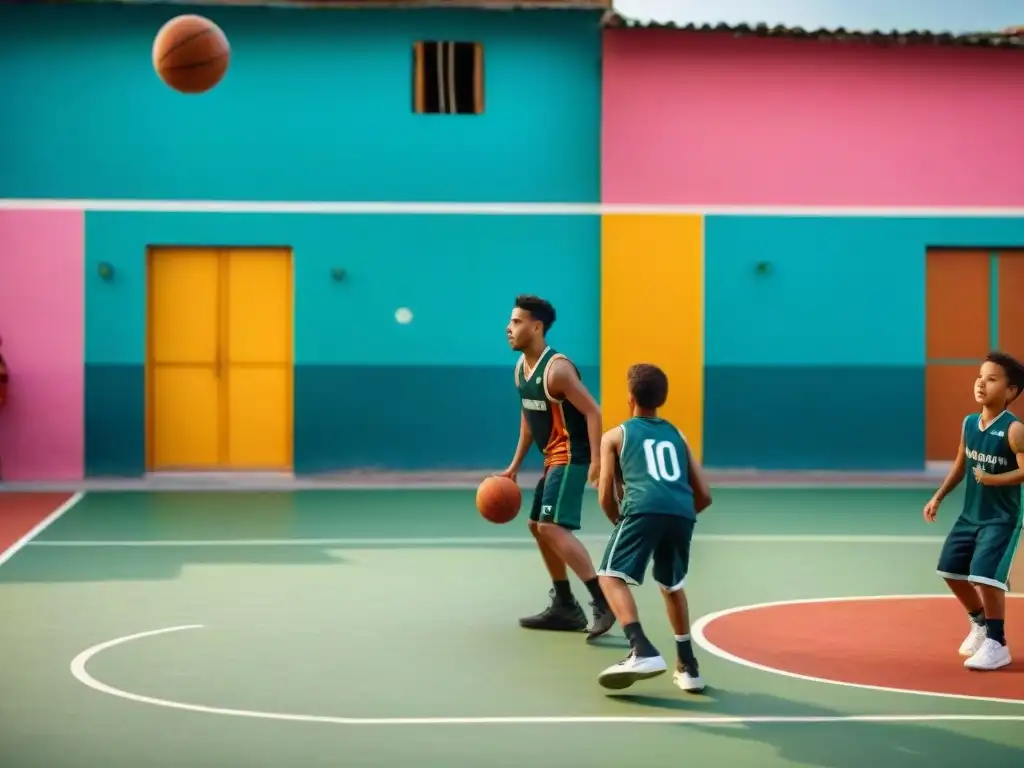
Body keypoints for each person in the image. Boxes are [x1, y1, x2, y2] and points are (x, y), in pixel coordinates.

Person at [500, 295, 615, 640]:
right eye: (510, 321)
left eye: (517, 322)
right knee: (537, 526)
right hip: (552, 458)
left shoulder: (558, 370)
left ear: (536, 327)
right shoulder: (521, 369)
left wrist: (597, 460)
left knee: (550, 526)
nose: (509, 328)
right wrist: (514, 467)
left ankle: (603, 602)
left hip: (572, 456)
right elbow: (528, 421)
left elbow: (593, 412)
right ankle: (565, 605)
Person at [593, 363, 712, 692]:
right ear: (663, 399)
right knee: (672, 585)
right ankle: (688, 667)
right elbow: (704, 494)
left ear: (630, 398)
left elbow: (605, 496)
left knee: (609, 575)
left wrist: (625, 525)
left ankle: (640, 648)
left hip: (642, 509)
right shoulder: (678, 435)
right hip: (682, 512)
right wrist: (678, 516)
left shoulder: (615, 436)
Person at [925, 351, 1024, 672]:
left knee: (985, 576)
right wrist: (938, 496)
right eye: (980, 376)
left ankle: (998, 644)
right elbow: (960, 464)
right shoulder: (969, 423)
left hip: (1002, 518)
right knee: (950, 570)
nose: (981, 383)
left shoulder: (1014, 430)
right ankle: (980, 624)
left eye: (992, 379)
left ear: (1011, 391)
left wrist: (992, 479)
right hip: (971, 514)